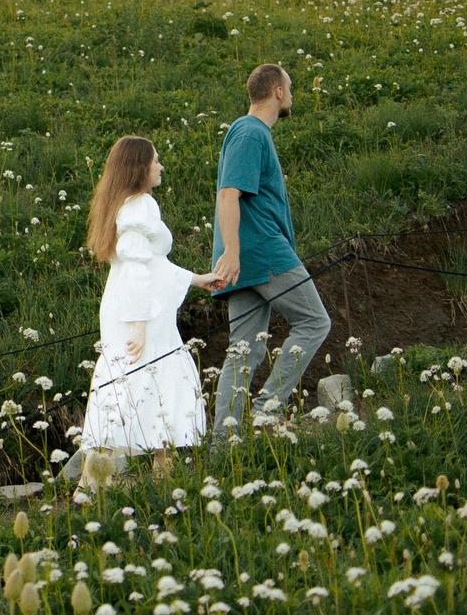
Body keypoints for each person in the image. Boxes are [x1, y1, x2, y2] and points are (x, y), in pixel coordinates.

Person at [207, 62, 332, 436]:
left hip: (246, 257)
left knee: (244, 351)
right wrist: (232, 252)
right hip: (260, 252)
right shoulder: (250, 132)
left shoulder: (246, 132)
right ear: (278, 91)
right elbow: (228, 194)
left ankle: (223, 442)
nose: (291, 95)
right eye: (290, 88)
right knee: (314, 322)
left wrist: (231, 254)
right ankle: (267, 410)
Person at [76, 136, 216, 467]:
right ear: (140, 167)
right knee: (158, 388)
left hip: (124, 308)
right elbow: (139, 268)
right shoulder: (141, 204)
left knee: (120, 389)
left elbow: (151, 264)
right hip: (142, 315)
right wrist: (140, 326)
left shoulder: (120, 204)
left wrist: (196, 279)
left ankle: (90, 490)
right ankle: (160, 488)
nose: (160, 166)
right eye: (155, 160)